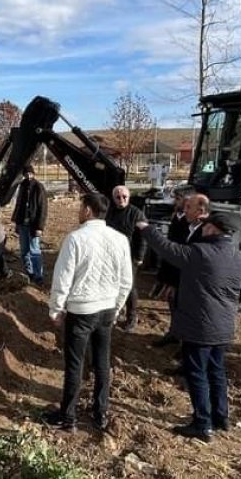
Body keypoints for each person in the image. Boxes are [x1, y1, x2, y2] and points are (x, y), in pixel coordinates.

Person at [138, 212, 241, 443]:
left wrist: (146, 228)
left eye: (205, 226)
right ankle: (221, 417)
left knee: (196, 373)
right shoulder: (240, 258)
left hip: (200, 327)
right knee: (217, 371)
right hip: (224, 326)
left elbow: (167, 248)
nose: (202, 229)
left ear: (212, 229)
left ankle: (202, 424)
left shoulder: (199, 253)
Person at [44, 193, 134, 433]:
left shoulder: (75, 239)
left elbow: (62, 278)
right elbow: (126, 280)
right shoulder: (120, 239)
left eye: (80, 206)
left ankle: (68, 416)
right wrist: (116, 308)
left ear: (87, 210)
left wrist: (56, 309)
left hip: (81, 310)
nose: (79, 210)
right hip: (106, 310)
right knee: (103, 362)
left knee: (75, 364)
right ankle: (100, 412)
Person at [154, 190, 210, 348]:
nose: (184, 209)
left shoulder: (204, 230)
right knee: (175, 305)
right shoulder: (182, 220)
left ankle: (185, 342)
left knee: (186, 311)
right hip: (173, 270)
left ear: (200, 211)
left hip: (187, 279)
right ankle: (175, 333)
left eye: (188, 206)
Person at [105, 185, 148, 331]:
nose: (121, 199)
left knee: (129, 287)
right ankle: (115, 312)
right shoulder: (109, 212)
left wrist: (140, 256)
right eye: (118, 197)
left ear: (129, 197)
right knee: (112, 284)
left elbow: (143, 237)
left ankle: (132, 316)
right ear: (113, 198)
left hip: (130, 257)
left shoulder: (136, 214)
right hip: (111, 255)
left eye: (124, 196)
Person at [12, 164, 48, 286]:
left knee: (34, 250)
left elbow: (43, 208)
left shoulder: (38, 187)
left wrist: (39, 227)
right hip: (22, 224)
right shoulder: (22, 186)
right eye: (26, 174)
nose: (28, 176)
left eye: (30, 173)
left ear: (33, 173)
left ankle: (38, 276)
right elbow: (18, 204)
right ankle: (30, 273)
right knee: (24, 251)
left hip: (33, 225)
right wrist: (16, 222)